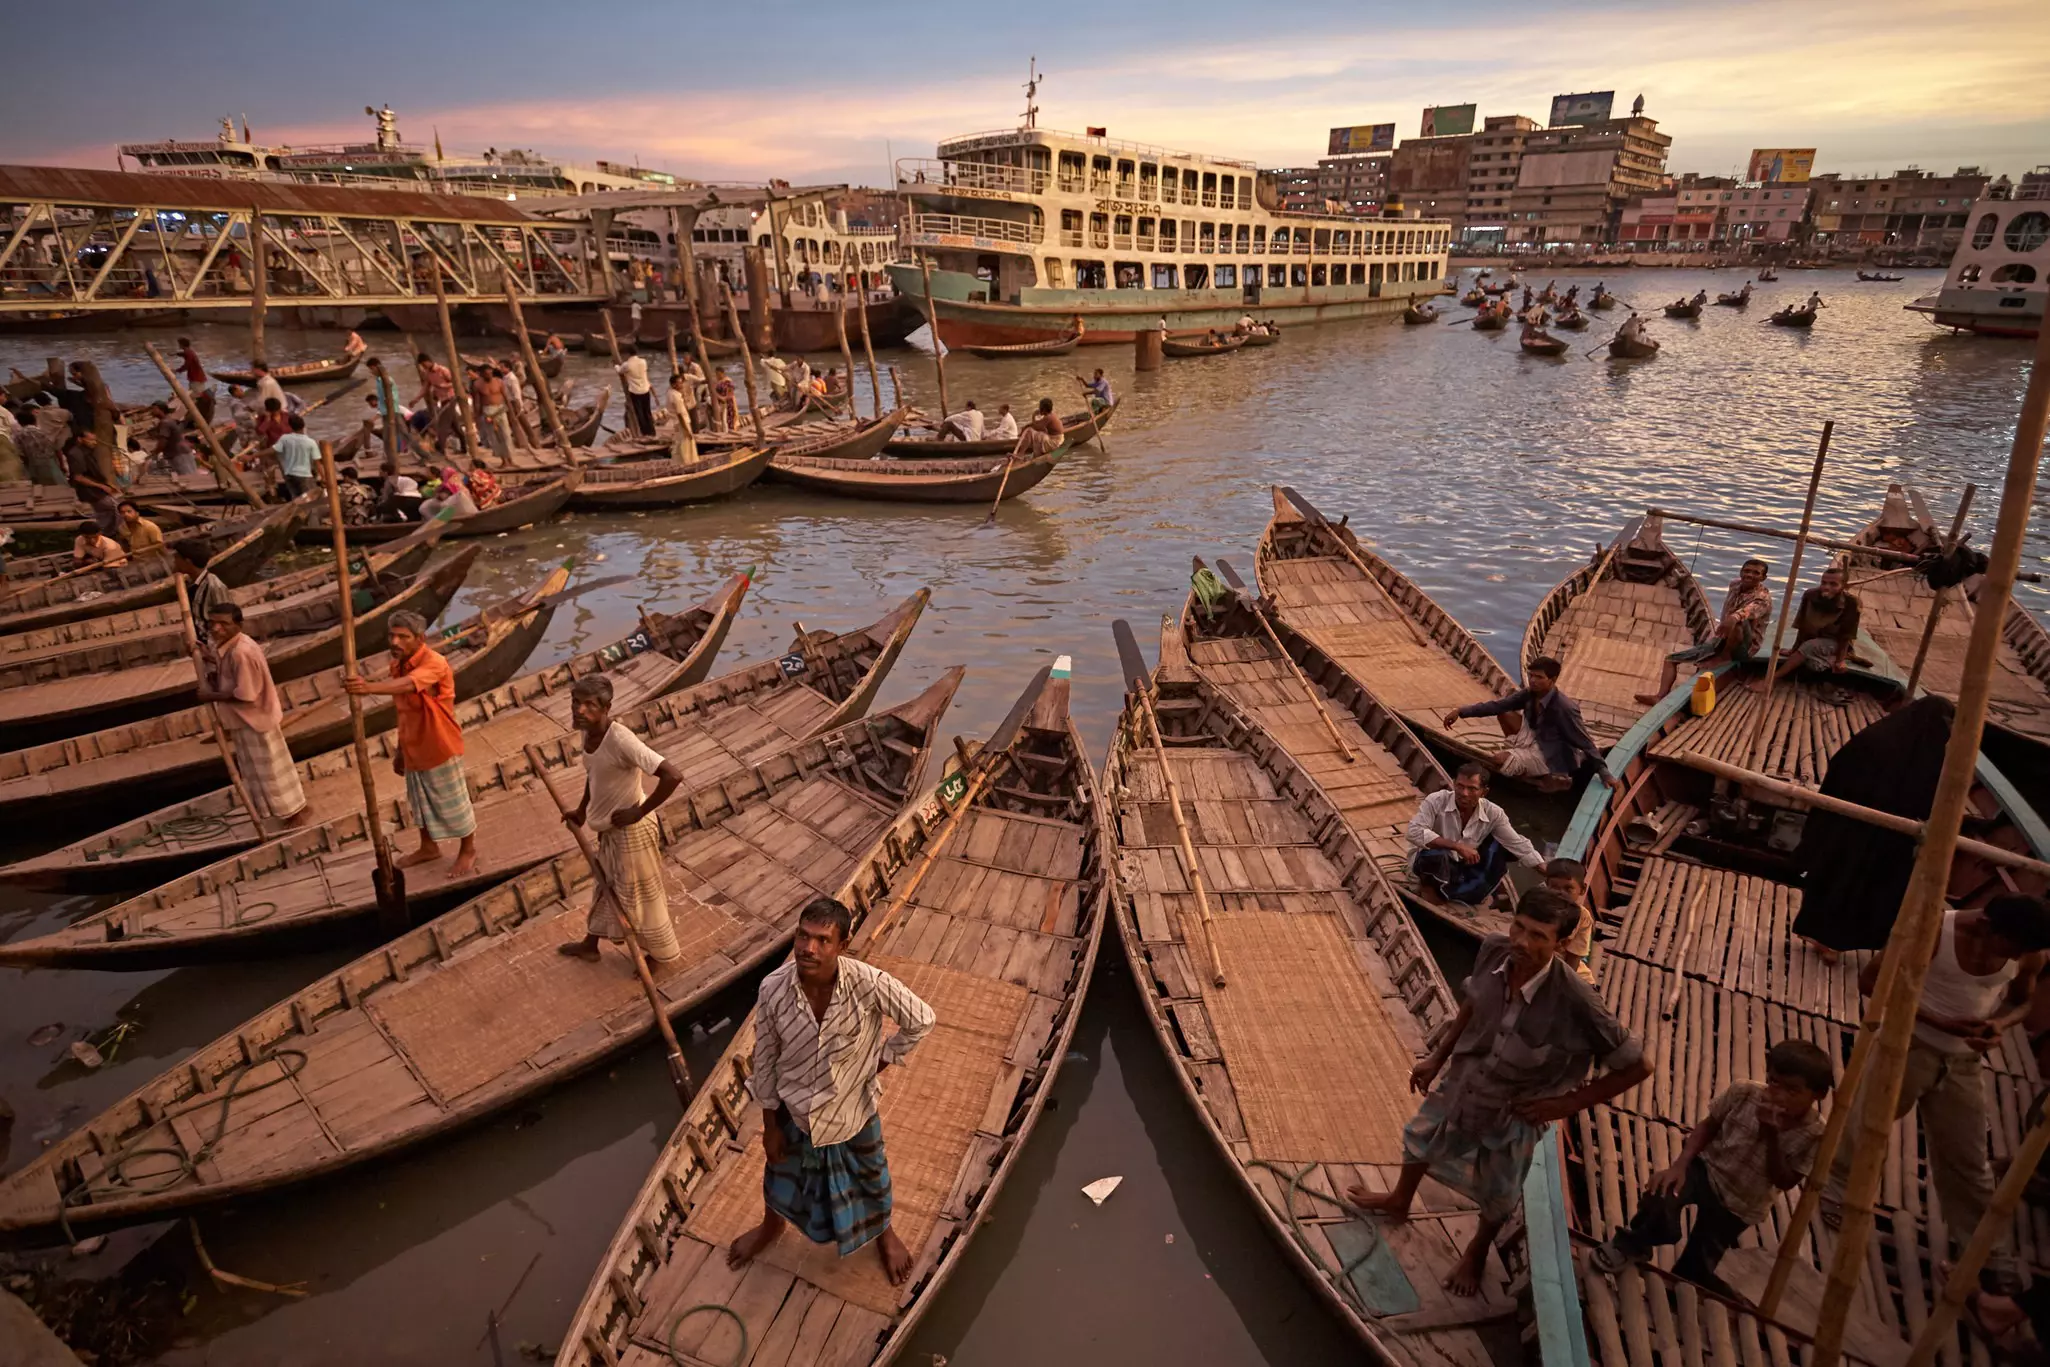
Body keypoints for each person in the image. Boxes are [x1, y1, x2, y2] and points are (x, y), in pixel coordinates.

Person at [1348, 888, 1648, 1296]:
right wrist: (1438, 1056)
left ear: (1561, 944)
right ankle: (1400, 1200)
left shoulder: (1578, 999)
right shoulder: (1493, 949)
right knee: (1421, 1137)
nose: (1522, 943)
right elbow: (1471, 1003)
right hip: (1468, 1077)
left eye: (1538, 936)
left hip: (1517, 1102)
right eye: (1518, 928)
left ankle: (1475, 1251)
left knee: (1500, 1188)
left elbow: (1638, 1066)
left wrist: (1565, 1103)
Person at [1824, 895, 2050, 1289]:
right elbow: (1871, 983)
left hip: (1962, 1062)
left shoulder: (2028, 952)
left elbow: (2021, 1002)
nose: (2013, 956)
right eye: (2009, 947)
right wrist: (1941, 1023)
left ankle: (1985, 1249)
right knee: (1866, 1125)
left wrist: (1999, 1025)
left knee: (1969, 1158)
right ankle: (1837, 1189)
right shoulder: (1932, 932)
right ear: (1985, 925)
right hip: (1906, 1046)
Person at [727, 895, 936, 1286]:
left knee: (872, 1177)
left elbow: (921, 1020)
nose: (808, 948)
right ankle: (771, 1227)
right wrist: (770, 1126)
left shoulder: (869, 983)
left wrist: (882, 1060)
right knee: (779, 1176)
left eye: (823, 940)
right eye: (803, 936)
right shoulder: (773, 989)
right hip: (795, 1112)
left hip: (853, 1112)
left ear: (843, 945)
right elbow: (767, 1060)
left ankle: (884, 1233)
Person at [1593, 1040, 1834, 1294]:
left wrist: (1771, 1134)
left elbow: (1784, 1180)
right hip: (1707, 1170)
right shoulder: (1745, 1093)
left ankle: (1677, 1290)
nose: (1779, 1095)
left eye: (1793, 1090)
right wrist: (1679, 1166)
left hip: (1742, 1204)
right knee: (1660, 1196)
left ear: (1817, 1095)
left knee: (1695, 1269)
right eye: (1774, 1082)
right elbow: (1708, 1126)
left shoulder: (1817, 1136)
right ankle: (1633, 1244)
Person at [556, 675, 687, 962]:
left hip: (633, 832)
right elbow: (594, 777)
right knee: (604, 887)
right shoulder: (587, 732)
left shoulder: (621, 740)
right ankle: (590, 946)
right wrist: (581, 811)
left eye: (589, 705)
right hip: (610, 831)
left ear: (606, 707)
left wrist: (638, 811)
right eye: (576, 702)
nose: (580, 711)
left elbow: (673, 776)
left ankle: (659, 956)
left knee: (642, 901)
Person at [344, 609, 478, 876]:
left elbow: (409, 686)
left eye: (403, 637)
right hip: (413, 742)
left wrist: (367, 687)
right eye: (392, 636)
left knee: (454, 801)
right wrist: (400, 749)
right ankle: (429, 847)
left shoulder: (435, 662)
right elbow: (404, 709)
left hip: (439, 742)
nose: (395, 643)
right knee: (419, 800)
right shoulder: (398, 664)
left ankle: (468, 850)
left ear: (420, 638)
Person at [190, 600, 311, 829]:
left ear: (238, 625)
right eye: (213, 624)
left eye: (223, 624)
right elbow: (227, 671)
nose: (216, 629)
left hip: (255, 719)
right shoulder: (229, 647)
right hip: (246, 720)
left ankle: (295, 813)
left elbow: (245, 694)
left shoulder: (241, 652)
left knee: (271, 771)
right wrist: (207, 656)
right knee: (258, 771)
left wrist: (212, 695)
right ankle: (282, 811)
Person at [1444, 657, 1614, 794]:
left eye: (1539, 677)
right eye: (1531, 675)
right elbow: (1498, 706)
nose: (1532, 681)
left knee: (1498, 761)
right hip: (1534, 737)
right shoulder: (1530, 694)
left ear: (1552, 680)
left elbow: (1585, 742)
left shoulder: (1565, 708)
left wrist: (1604, 773)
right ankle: (1522, 760)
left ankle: (1546, 779)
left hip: (1550, 752)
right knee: (1504, 712)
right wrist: (1461, 711)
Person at [1407, 762, 1546, 905]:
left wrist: (1545, 870)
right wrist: (1457, 846)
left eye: (1472, 789)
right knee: (1436, 854)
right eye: (1460, 786)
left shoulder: (1493, 812)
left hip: (1461, 866)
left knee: (1504, 846)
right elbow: (1414, 832)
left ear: (1484, 792)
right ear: (1454, 784)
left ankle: (1468, 890)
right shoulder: (1436, 800)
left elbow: (1517, 844)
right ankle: (1429, 893)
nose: (1464, 793)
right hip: (1431, 865)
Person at [1637, 557, 1773, 704]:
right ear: (1740, 572)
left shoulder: (1762, 599)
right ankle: (1660, 696)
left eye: (1756, 573)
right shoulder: (1734, 585)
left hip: (1745, 647)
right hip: (1722, 638)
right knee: (1671, 659)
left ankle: (1724, 657)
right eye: (1747, 571)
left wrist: (1732, 619)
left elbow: (1744, 614)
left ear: (1763, 578)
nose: (1750, 575)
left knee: (1739, 622)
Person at [1754, 564, 1860, 689]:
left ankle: (1771, 679)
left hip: (1834, 642)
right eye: (1824, 583)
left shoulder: (1851, 602)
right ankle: (1815, 657)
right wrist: (1794, 649)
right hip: (1813, 637)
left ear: (1843, 586)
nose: (1826, 587)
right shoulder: (1810, 595)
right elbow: (1802, 624)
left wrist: (1840, 660)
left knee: (1809, 647)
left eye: (1833, 584)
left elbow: (1846, 635)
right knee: (1812, 660)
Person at [1542, 857, 1598, 983]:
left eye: (1568, 889)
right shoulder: (1538, 906)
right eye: (1554, 887)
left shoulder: (1583, 917)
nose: (1561, 894)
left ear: (1582, 889)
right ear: (1546, 885)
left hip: (1568, 971)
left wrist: (1562, 984)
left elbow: (1574, 958)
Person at [65, 432, 121, 536]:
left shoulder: (88, 452)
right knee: (113, 507)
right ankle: (107, 533)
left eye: (95, 440)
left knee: (110, 510)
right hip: (88, 490)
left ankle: (107, 533)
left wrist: (108, 485)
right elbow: (78, 477)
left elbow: (95, 474)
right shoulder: (75, 454)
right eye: (90, 440)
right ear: (80, 439)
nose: (94, 443)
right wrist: (101, 486)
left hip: (96, 488)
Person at [171, 539, 230, 632]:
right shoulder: (191, 585)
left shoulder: (214, 586)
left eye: (176, 558)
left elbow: (226, 623)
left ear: (188, 562)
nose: (174, 562)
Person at [273, 414, 320, 498]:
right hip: (304, 475)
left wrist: (252, 456)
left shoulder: (285, 438)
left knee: (296, 498)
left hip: (289, 474)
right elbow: (317, 461)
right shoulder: (310, 442)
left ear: (290, 426)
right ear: (304, 426)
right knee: (309, 498)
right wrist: (323, 477)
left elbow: (274, 450)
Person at [150, 402, 198, 477]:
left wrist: (154, 453)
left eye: (154, 409)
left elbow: (162, 443)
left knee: (188, 478)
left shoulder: (165, 423)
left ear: (161, 410)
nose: (151, 411)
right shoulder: (169, 420)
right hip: (182, 452)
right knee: (192, 476)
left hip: (179, 454)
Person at [476, 367, 512, 460]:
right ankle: (503, 460)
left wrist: (511, 412)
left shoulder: (499, 381)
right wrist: (477, 417)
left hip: (500, 409)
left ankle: (510, 459)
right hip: (488, 411)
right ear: (482, 374)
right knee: (494, 437)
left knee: (506, 434)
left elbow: (506, 397)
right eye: (487, 374)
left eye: (490, 374)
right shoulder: (477, 385)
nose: (489, 376)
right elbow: (477, 402)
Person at [618, 346, 654, 436]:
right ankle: (652, 431)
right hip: (645, 389)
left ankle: (645, 432)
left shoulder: (627, 364)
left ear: (628, 354)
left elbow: (619, 371)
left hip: (635, 391)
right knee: (647, 412)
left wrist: (616, 366)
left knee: (640, 413)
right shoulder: (643, 362)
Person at [666, 370, 698, 461]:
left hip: (677, 423)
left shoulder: (670, 393)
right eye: (679, 383)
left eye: (681, 383)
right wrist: (687, 430)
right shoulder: (676, 396)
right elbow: (680, 415)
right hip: (682, 423)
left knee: (679, 444)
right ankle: (687, 463)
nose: (681, 385)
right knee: (686, 445)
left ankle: (678, 462)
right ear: (673, 385)